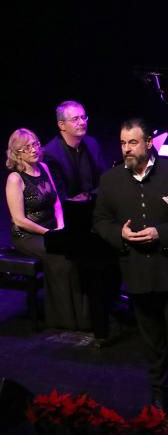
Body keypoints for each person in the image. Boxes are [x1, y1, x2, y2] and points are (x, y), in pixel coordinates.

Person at [93, 118, 168, 413]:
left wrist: (161, 233)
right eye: (122, 143)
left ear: (148, 143)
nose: (126, 149)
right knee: (151, 338)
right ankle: (158, 392)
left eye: (132, 142)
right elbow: (100, 221)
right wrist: (120, 233)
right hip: (137, 273)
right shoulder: (111, 180)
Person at [43, 100, 116, 345]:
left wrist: (96, 197)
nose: (82, 122)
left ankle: (110, 301)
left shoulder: (92, 144)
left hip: (96, 210)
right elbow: (63, 198)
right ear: (61, 125)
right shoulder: (51, 153)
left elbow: (105, 179)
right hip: (71, 219)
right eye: (75, 119)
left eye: (84, 117)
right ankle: (96, 314)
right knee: (97, 255)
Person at [5, 128, 87, 329]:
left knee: (77, 251)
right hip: (27, 236)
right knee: (59, 257)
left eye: (35, 144)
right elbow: (19, 219)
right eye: (28, 147)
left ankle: (84, 316)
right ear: (17, 152)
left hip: (51, 229)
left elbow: (57, 203)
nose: (34, 149)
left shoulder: (44, 167)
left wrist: (60, 227)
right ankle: (64, 319)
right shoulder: (15, 179)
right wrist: (49, 234)